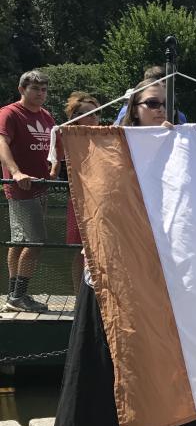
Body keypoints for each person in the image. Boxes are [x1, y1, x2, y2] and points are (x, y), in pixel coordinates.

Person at [49, 81, 196, 426]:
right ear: (134, 107)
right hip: (116, 264)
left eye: (165, 104)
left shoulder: (178, 147)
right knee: (110, 352)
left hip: (161, 269)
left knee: (164, 353)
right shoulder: (112, 147)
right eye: (151, 103)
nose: (159, 109)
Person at [0, 70, 60, 313]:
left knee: (20, 241)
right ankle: (18, 296)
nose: (40, 94)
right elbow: (1, 143)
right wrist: (15, 172)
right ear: (22, 89)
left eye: (44, 89)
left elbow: (55, 145)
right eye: (36, 89)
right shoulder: (10, 113)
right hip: (21, 186)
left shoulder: (47, 116)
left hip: (41, 185)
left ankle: (14, 295)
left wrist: (55, 167)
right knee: (35, 242)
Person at [63, 92, 101, 293]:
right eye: (89, 114)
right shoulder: (66, 137)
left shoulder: (105, 136)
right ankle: (79, 295)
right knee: (79, 250)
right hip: (78, 199)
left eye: (96, 113)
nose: (94, 118)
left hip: (99, 199)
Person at [114, 66, 187, 125]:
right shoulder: (119, 139)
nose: (162, 109)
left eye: (170, 104)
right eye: (153, 103)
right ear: (134, 111)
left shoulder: (184, 134)